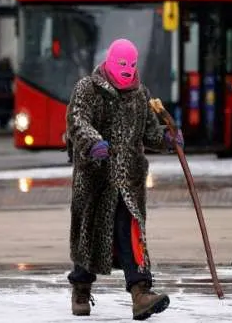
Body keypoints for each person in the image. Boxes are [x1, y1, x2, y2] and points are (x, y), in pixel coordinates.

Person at [65, 38, 184, 320]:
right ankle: (81, 288)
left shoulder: (140, 94)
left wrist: (168, 139)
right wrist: (93, 142)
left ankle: (141, 293)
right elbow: (77, 121)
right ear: (110, 62)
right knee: (90, 234)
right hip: (95, 177)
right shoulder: (88, 88)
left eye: (131, 64)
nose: (127, 70)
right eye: (122, 64)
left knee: (130, 234)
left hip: (129, 180)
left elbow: (149, 133)